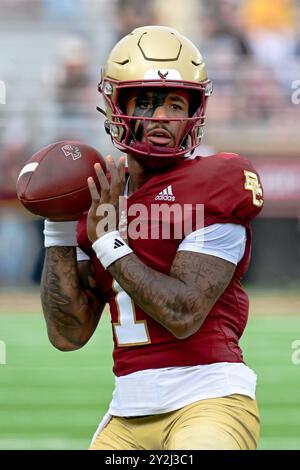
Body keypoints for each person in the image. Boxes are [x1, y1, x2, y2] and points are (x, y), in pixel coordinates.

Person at [41, 25, 264, 450]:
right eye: (144, 102)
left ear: (194, 113)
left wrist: (109, 242)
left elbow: (183, 313)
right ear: (115, 107)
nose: (161, 118)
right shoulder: (101, 193)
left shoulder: (215, 182)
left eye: (175, 104)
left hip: (209, 399)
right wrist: (56, 228)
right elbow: (68, 335)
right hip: (126, 414)